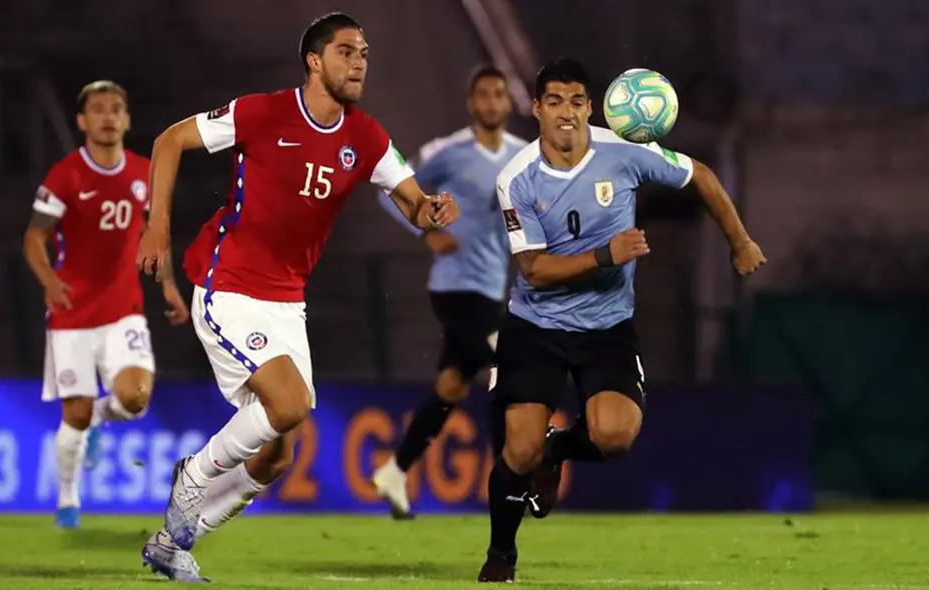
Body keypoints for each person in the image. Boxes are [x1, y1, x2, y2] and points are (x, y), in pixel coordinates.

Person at [134, 13, 460, 582]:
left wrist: (429, 210)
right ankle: (192, 476)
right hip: (227, 283)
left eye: (364, 53)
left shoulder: (367, 137)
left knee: (278, 453)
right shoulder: (263, 112)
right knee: (288, 406)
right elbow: (170, 140)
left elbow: (411, 201)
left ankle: (173, 541)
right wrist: (157, 223)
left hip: (288, 301)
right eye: (346, 51)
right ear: (314, 61)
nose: (359, 62)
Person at [476, 58, 767, 582]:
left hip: (606, 328)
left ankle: (558, 447)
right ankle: (502, 556)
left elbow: (698, 173)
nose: (568, 113)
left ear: (592, 107)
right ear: (537, 109)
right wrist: (606, 255)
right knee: (518, 447)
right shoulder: (516, 178)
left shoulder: (624, 151)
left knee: (614, 437)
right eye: (556, 102)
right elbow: (535, 270)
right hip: (536, 326)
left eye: (578, 101)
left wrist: (740, 240)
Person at [22, 80, 190, 530]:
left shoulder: (142, 172)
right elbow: (34, 236)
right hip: (71, 314)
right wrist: (49, 280)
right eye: (98, 109)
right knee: (72, 416)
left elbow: (154, 234)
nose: (109, 116)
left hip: (123, 311)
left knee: (135, 398)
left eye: (116, 108)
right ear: (83, 121)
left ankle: (103, 414)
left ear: (127, 119)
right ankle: (68, 502)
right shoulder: (66, 176)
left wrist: (169, 285)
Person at [371, 65, 525, 519]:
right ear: (472, 103)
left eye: (500, 94)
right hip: (455, 287)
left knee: (452, 386)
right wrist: (425, 233)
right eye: (484, 95)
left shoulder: (523, 157)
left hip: (494, 287)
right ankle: (509, 482)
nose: (492, 102)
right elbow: (389, 192)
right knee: (506, 362)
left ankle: (396, 471)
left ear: (508, 103)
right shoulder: (447, 152)